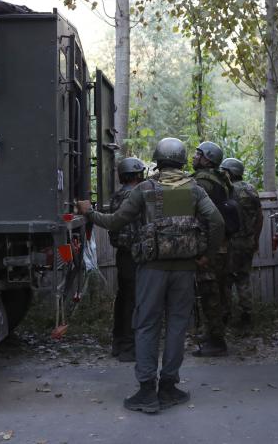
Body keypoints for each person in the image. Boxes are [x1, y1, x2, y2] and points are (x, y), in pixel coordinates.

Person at [76, 138, 224, 414]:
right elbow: (216, 222)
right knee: (178, 325)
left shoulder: (144, 189)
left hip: (151, 269)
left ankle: (146, 391)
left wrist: (90, 213)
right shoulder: (195, 189)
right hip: (185, 270)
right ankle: (168, 387)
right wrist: (207, 254)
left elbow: (116, 221)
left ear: (158, 160)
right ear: (181, 161)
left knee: (146, 325)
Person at [190, 140, 233, 357]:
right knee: (219, 292)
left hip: (210, 246)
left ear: (207, 158)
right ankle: (214, 335)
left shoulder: (202, 182)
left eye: (198, 154)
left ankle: (216, 341)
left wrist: (206, 252)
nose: (194, 157)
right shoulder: (221, 179)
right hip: (222, 245)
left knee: (210, 294)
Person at [107, 157, 146, 363]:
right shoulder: (137, 195)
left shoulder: (117, 196)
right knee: (134, 300)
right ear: (138, 174)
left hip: (123, 254)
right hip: (136, 254)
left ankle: (119, 342)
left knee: (123, 299)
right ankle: (129, 348)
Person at [220, 158, 262, 331]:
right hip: (248, 242)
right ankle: (247, 316)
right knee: (243, 279)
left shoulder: (227, 191)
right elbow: (260, 217)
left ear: (229, 172)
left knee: (226, 280)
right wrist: (255, 239)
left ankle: (225, 316)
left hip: (231, 243)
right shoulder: (252, 190)